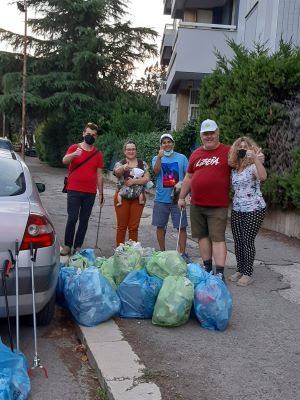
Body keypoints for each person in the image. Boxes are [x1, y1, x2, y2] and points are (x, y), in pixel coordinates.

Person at [178, 119, 231, 280]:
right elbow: (188, 176)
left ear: (218, 133)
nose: (209, 137)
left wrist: (257, 159)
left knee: (217, 238)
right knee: (202, 236)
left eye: (212, 133)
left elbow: (243, 165)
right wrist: (181, 197)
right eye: (205, 134)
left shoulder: (228, 151)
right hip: (197, 204)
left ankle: (220, 272)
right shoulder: (196, 154)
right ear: (201, 136)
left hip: (218, 205)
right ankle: (207, 268)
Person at [60, 122, 104, 256]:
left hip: (90, 192)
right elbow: (64, 161)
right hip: (74, 189)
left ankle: (78, 246)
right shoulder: (74, 147)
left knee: (84, 220)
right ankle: (67, 245)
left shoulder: (97, 154)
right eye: (89, 134)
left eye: (94, 135)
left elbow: (99, 174)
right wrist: (74, 155)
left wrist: (101, 193)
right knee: (72, 218)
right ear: (83, 134)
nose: (91, 137)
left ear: (96, 137)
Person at [228, 137, 267, 286]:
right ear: (235, 150)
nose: (242, 149)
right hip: (237, 208)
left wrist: (256, 159)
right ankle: (240, 269)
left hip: (254, 208)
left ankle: (248, 273)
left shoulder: (253, 166)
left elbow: (262, 177)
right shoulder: (234, 168)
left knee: (247, 240)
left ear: (251, 149)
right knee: (238, 241)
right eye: (240, 147)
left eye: (245, 147)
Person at [152, 133, 190, 262]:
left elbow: (189, 175)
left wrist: (184, 191)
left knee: (181, 226)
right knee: (160, 225)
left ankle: (183, 253)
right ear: (161, 145)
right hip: (161, 198)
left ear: (173, 143)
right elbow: (156, 172)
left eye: (169, 142)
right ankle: (162, 252)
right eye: (164, 142)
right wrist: (159, 157)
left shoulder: (182, 158)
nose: (167, 144)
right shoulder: (156, 158)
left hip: (178, 198)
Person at [113, 140, 150, 246]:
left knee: (134, 227)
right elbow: (116, 172)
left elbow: (146, 179)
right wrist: (123, 168)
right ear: (125, 151)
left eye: (133, 149)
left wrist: (134, 181)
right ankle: (119, 252)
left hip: (138, 198)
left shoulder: (142, 164)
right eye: (128, 149)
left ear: (136, 151)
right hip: (122, 197)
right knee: (121, 226)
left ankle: (132, 253)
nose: (131, 151)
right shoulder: (120, 163)